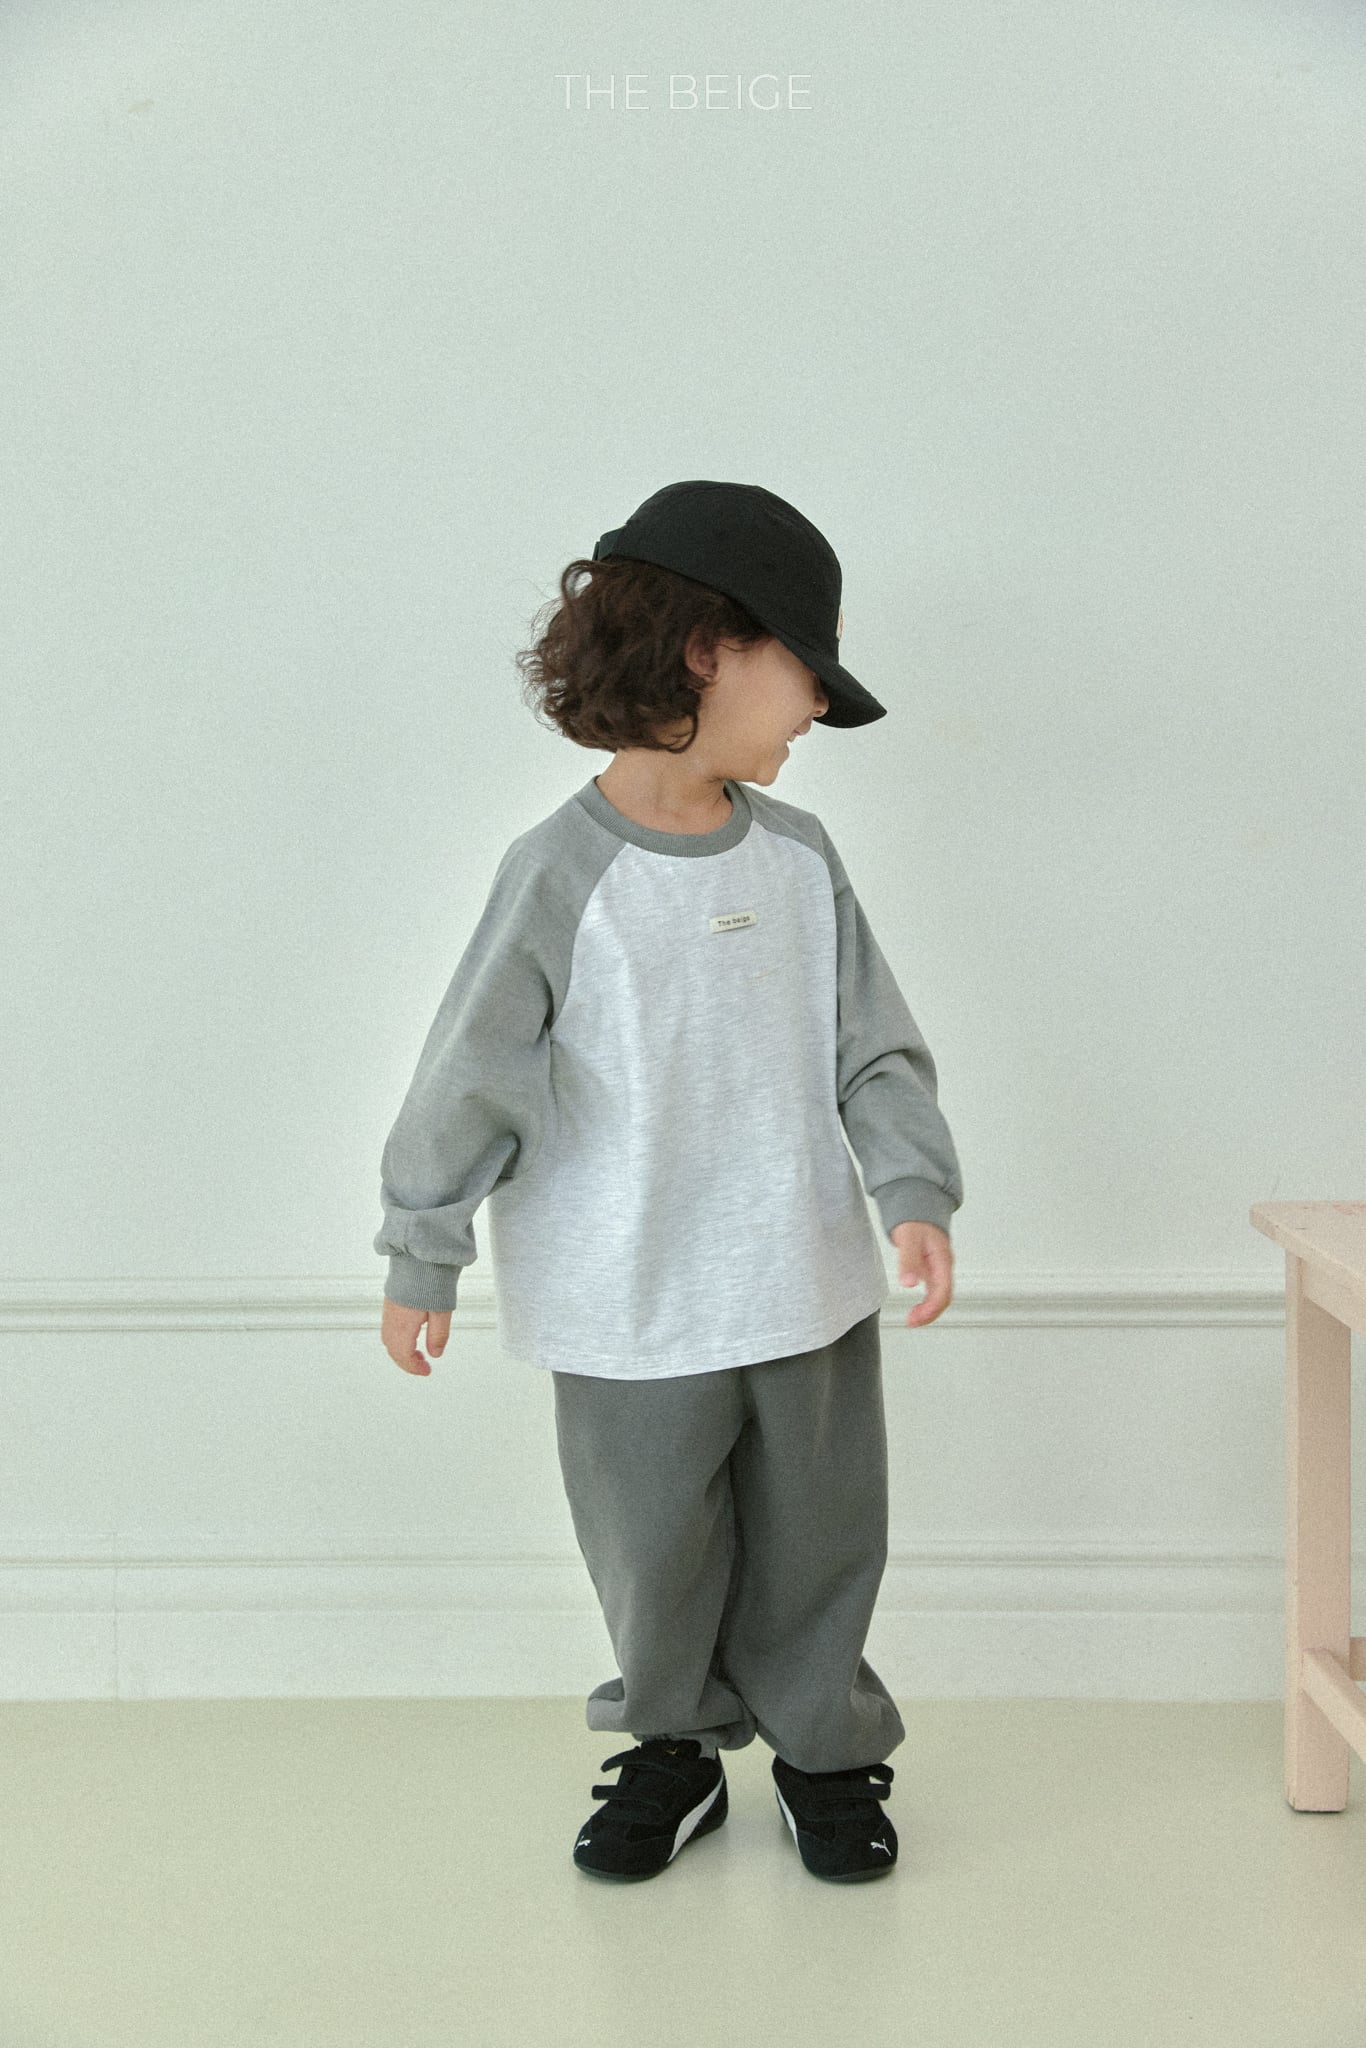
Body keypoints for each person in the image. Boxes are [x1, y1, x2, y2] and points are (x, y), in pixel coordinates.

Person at [374, 479, 964, 1885]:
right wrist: (422, 1245)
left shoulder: (800, 861)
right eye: (805, 672)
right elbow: (473, 1070)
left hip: (802, 1284)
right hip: (624, 1299)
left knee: (823, 1539)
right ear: (708, 649)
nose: (814, 710)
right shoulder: (557, 873)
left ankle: (825, 1749)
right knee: (653, 1551)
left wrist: (912, 1192)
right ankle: (673, 1746)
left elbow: (872, 1050)